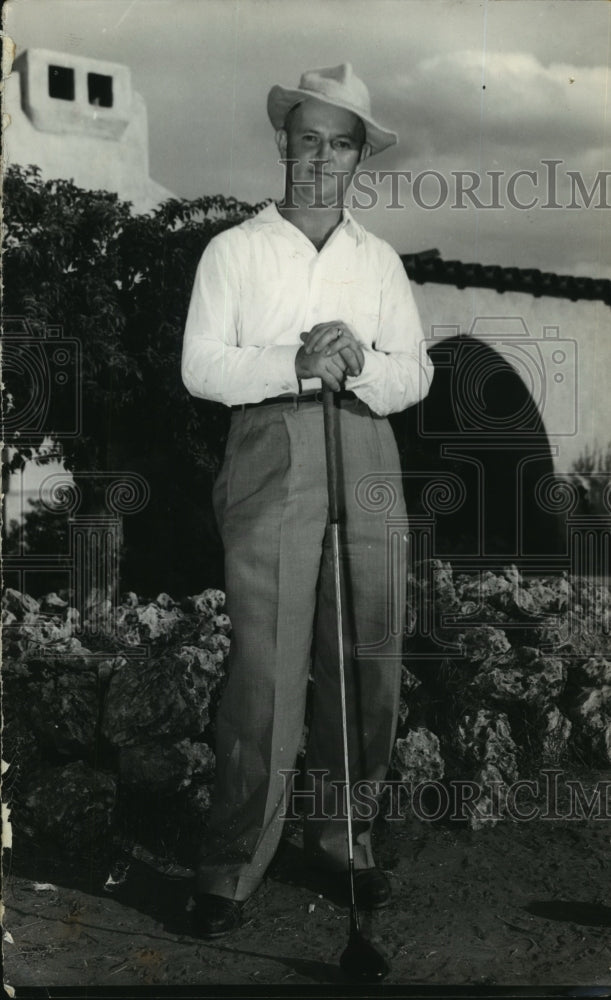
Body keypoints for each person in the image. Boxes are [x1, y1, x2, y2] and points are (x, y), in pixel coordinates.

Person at [181, 62, 431, 938]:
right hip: (270, 447)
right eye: (308, 138)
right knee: (266, 670)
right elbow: (202, 366)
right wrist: (294, 359)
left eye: (341, 144)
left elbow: (414, 372)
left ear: (360, 159)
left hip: (364, 448)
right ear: (283, 141)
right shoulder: (234, 252)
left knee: (365, 659)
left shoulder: (379, 262)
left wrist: (358, 357)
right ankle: (232, 862)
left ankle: (343, 842)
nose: (321, 157)